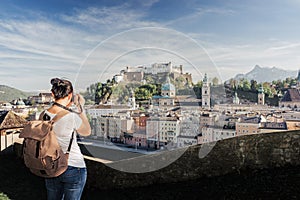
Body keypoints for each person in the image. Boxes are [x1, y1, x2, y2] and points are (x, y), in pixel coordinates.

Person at [43, 78, 91, 200]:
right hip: (73, 165)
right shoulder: (72, 116)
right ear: (70, 95)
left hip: (51, 165)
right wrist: (80, 108)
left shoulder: (44, 115)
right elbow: (87, 132)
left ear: (53, 94)